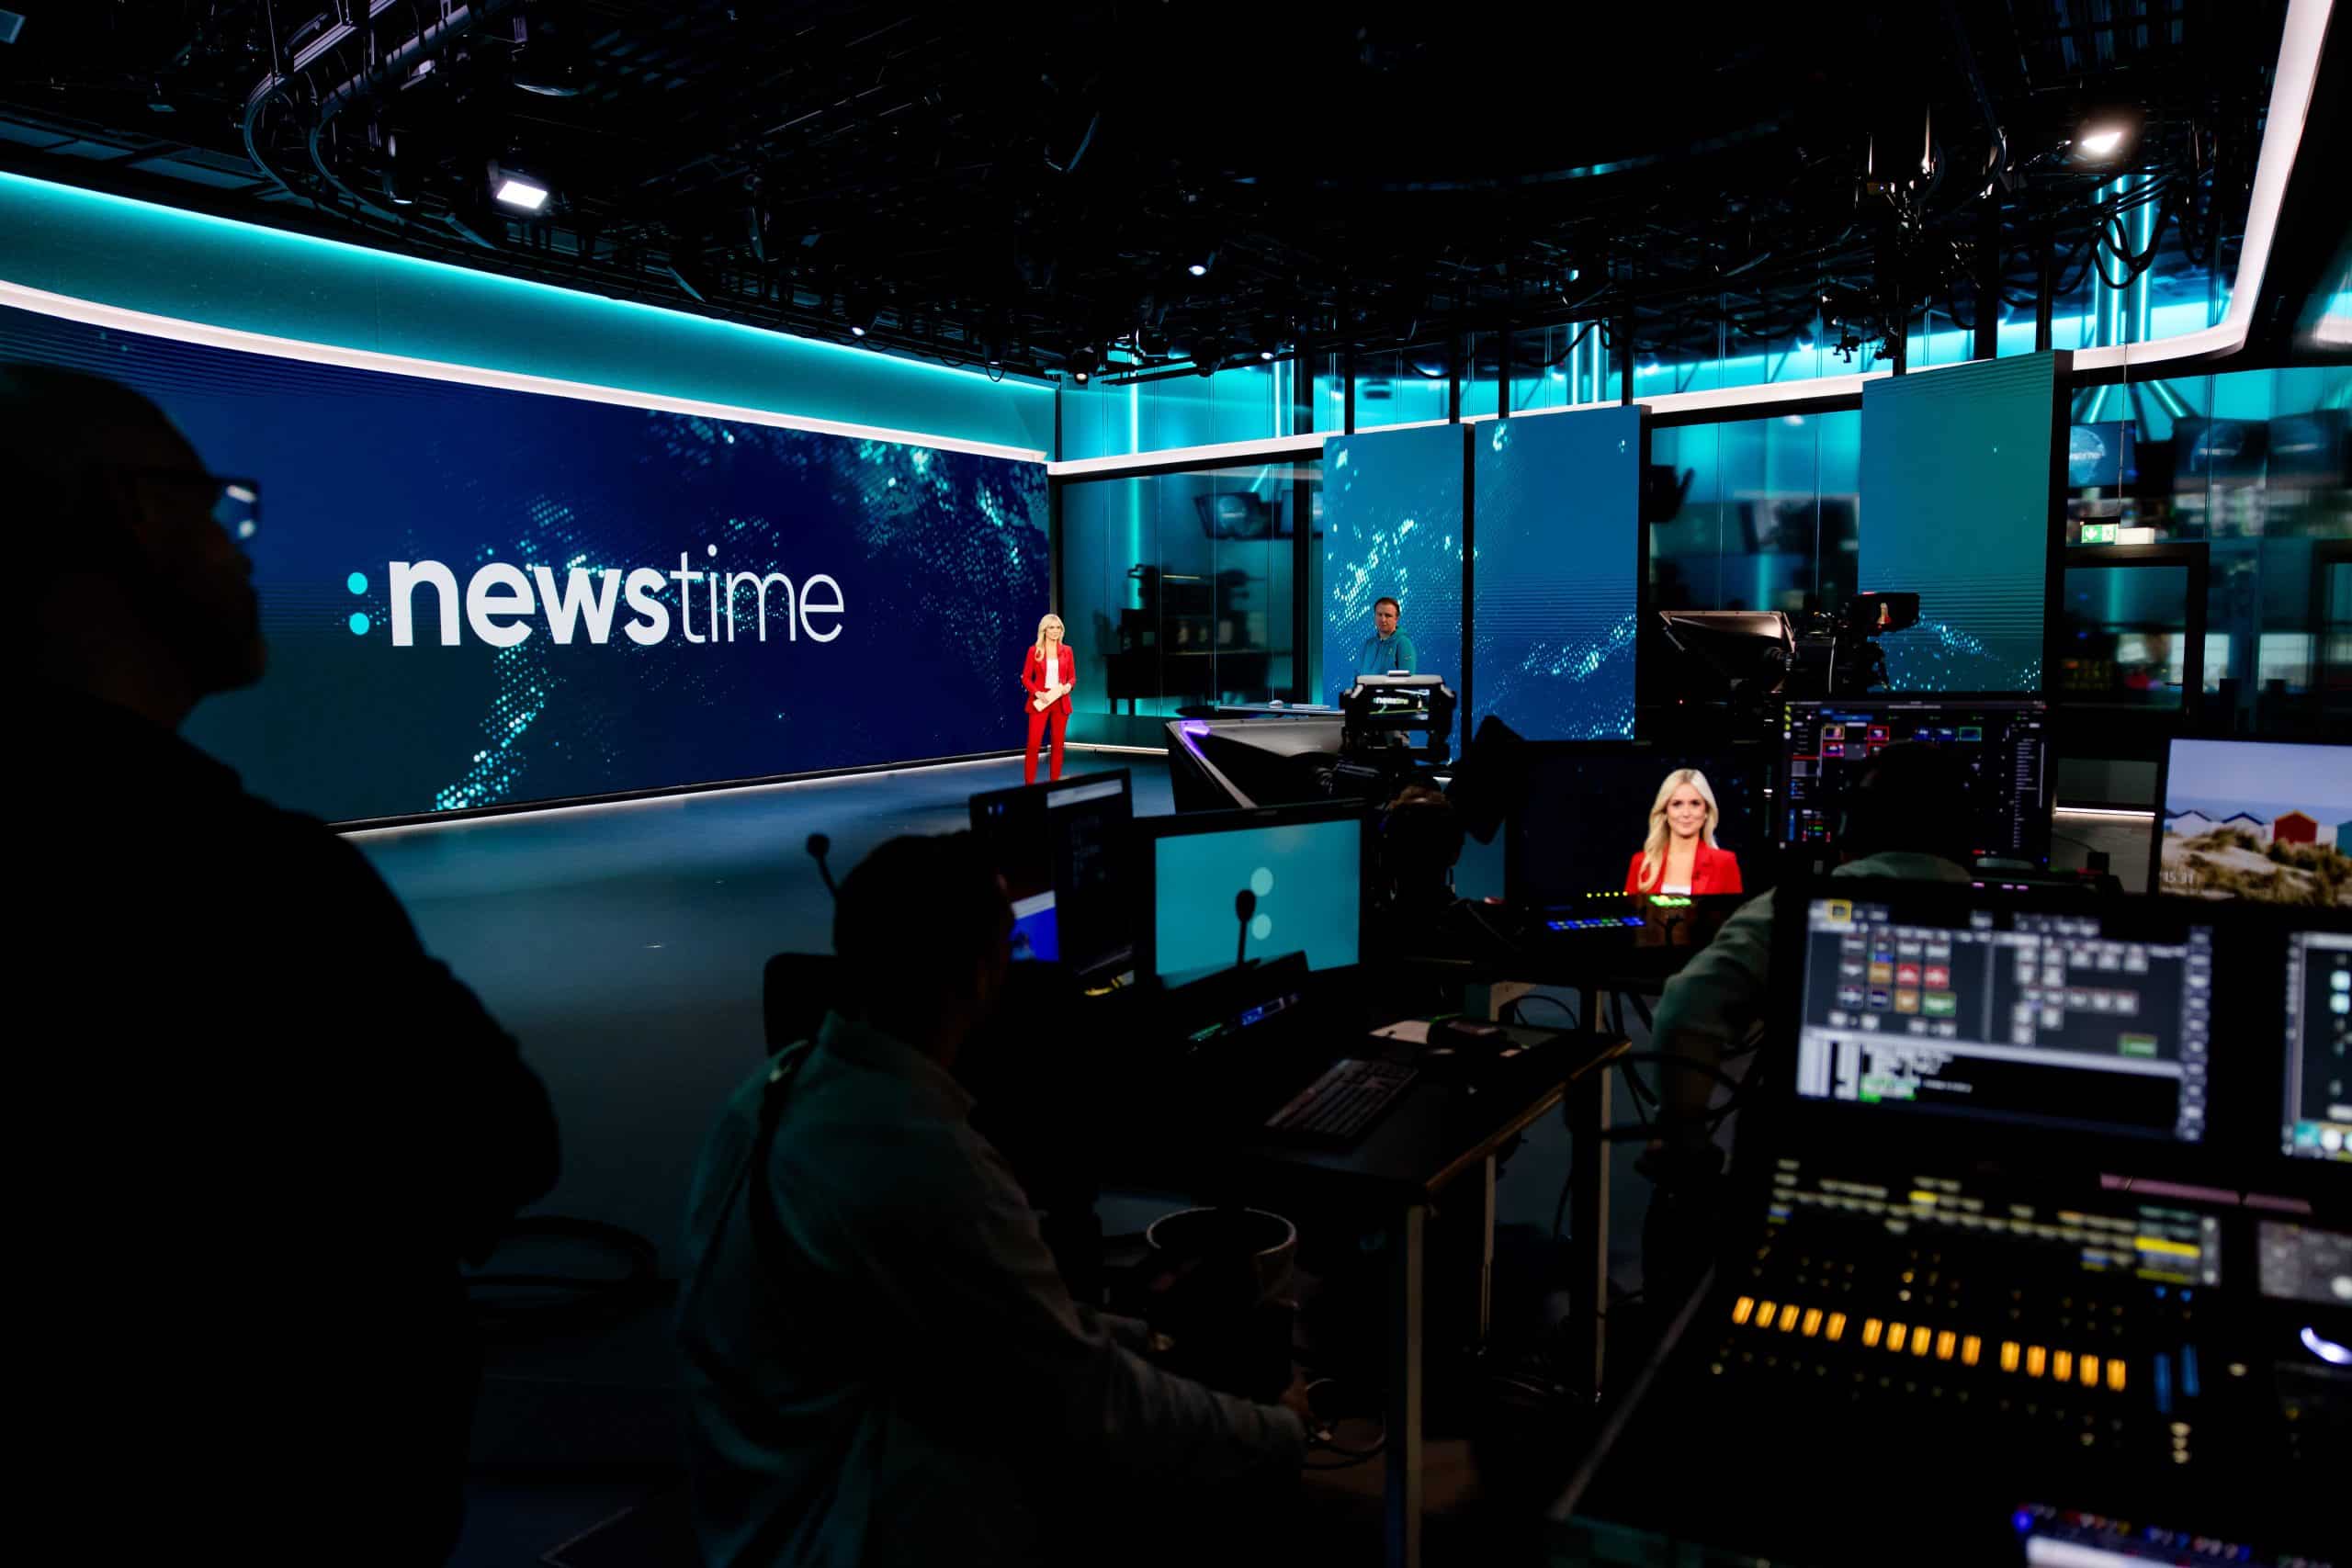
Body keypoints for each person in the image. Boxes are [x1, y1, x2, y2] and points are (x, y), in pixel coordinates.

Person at [7, 362, 559, 1562]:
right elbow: (501, 1140)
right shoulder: (248, 885)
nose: (240, 548)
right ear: (130, 514)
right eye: (214, 508)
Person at [677, 833, 1309, 1567]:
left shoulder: (771, 1092)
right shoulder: (927, 1159)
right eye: (1009, 946)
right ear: (979, 975)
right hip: (844, 1526)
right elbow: (1086, 1399)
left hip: (755, 1506)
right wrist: (1280, 1432)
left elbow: (999, 1319)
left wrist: (1146, 1338)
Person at [1624, 768, 1744, 895]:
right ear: (1665, 812)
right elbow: (1629, 908)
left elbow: (1736, 908)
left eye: (1695, 804)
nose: (1686, 813)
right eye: (1677, 804)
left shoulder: (1725, 863)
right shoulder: (1641, 863)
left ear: (1706, 812)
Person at [1022, 611, 1074, 783]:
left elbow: (1072, 677)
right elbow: (1026, 678)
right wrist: (1037, 692)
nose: (1055, 631)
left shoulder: (1067, 651)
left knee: (1058, 746)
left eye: (1058, 628)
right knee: (1033, 745)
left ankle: (1054, 784)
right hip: (1041, 701)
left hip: (1060, 701)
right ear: (1044, 630)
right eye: (1051, 627)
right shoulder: (1034, 651)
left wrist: (1068, 686)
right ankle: (1030, 785)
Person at [1356, 593, 1418, 675]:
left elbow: (1407, 679)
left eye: (1388, 615)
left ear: (1397, 618)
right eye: (1379, 614)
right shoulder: (1369, 644)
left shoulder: (1403, 643)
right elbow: (1357, 676)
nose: (1383, 619)